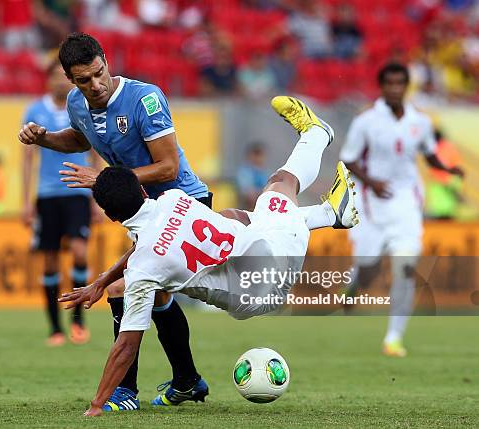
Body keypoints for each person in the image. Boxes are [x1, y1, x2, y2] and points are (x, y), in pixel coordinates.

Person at [59, 96, 357, 416]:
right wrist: (104, 280)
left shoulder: (145, 268)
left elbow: (126, 344)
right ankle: (321, 184)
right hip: (267, 259)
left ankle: (325, 181)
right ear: (143, 192)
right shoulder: (175, 199)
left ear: (111, 217)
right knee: (276, 186)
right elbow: (149, 247)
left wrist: (96, 404)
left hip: (265, 281)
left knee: (273, 192)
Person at [18, 32, 210, 410]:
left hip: (182, 203)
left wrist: (106, 181)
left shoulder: (145, 99)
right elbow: (80, 139)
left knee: (125, 288)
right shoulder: (78, 102)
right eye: (84, 80)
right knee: (155, 295)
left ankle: (124, 392)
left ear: (106, 61)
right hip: (144, 212)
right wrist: (44, 139)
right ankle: (187, 380)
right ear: (70, 80)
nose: (96, 85)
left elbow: (168, 166)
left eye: (99, 73)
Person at [339, 63, 464, 357]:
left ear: (406, 86)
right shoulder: (366, 121)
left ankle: (393, 338)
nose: (395, 89)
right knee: (368, 266)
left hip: (407, 203)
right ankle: (355, 282)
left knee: (405, 269)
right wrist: (372, 182)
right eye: (390, 84)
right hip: (372, 205)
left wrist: (447, 168)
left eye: (400, 84)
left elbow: (429, 154)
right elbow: (349, 159)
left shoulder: (419, 122)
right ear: (382, 87)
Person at [22, 60, 94, 346]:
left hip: (78, 190)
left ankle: (77, 320)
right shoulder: (34, 110)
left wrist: (98, 194)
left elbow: (94, 150)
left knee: (79, 252)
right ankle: (54, 328)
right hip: (47, 194)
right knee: (50, 261)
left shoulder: (80, 107)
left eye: (61, 77)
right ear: (47, 81)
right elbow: (27, 158)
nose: (58, 82)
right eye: (52, 77)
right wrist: (27, 201)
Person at [236, 142, 270, 210]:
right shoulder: (245, 172)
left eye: (261, 155)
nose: (259, 158)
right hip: (247, 208)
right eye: (256, 154)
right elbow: (248, 193)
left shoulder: (265, 173)